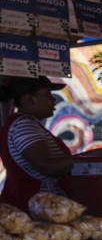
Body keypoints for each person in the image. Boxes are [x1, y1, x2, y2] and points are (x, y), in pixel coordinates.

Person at [0, 76, 73, 210]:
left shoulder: (25, 124)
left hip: (34, 207)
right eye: (47, 95)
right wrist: (86, 161)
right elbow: (47, 166)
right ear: (29, 99)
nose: (53, 99)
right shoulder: (24, 126)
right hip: (33, 209)